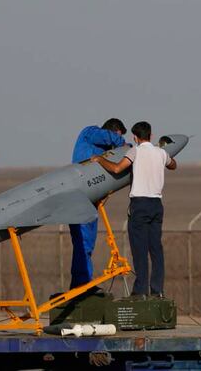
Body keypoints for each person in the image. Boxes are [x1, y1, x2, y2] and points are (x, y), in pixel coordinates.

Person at [95, 121, 177, 298]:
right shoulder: (161, 153)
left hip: (140, 204)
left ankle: (140, 291)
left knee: (139, 249)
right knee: (155, 249)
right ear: (151, 135)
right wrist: (163, 157)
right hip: (156, 204)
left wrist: (100, 159)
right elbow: (173, 165)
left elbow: (117, 168)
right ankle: (157, 290)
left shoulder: (135, 151)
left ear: (135, 137)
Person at [68, 118, 127, 289]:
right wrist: (123, 144)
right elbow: (110, 138)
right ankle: (81, 284)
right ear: (114, 130)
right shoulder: (89, 133)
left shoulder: (103, 153)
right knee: (82, 243)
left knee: (87, 245)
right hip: (79, 200)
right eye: (118, 134)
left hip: (90, 202)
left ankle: (83, 283)